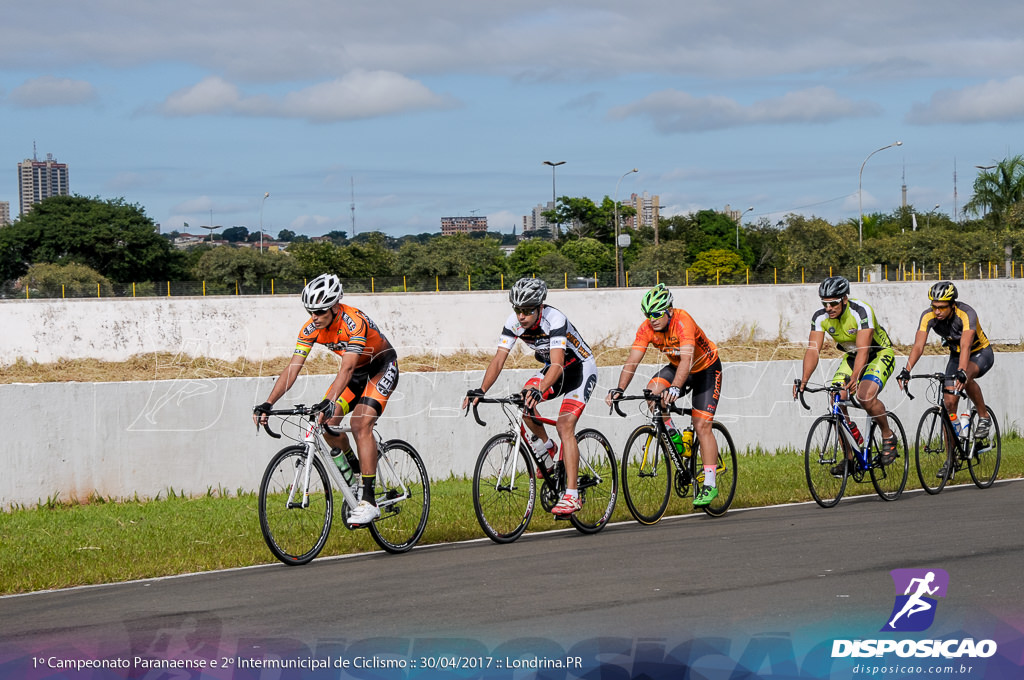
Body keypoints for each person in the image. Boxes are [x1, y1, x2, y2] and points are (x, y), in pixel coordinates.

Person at [252, 273, 399, 527]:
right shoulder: (311, 328)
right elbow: (293, 368)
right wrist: (268, 403)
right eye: (310, 312)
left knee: (359, 424)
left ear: (333, 307)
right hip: (355, 375)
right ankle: (356, 472)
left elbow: (347, 369)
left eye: (319, 312)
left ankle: (369, 500)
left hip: (380, 367)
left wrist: (329, 398)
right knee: (326, 421)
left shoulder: (353, 322)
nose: (314, 317)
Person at [462, 277, 598, 517]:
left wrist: (541, 388)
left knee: (565, 425)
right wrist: (481, 390)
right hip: (555, 369)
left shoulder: (554, 319)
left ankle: (572, 495)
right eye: (517, 310)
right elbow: (498, 359)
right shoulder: (513, 323)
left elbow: (557, 364)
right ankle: (548, 448)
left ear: (540, 307)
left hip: (579, 368)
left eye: (527, 311)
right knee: (524, 401)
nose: (521, 316)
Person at [604, 283, 724, 506]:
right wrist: (620, 389)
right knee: (652, 393)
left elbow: (687, 360)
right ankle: (674, 436)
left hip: (705, 369)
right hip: (677, 366)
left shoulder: (682, 321)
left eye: (657, 314)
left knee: (702, 425)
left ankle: (709, 483)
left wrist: (676, 388)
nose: (653, 319)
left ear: (669, 310)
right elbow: (632, 361)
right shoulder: (647, 328)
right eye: (649, 314)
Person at [793, 276, 899, 476]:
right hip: (852, 356)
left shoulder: (861, 311)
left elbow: (864, 350)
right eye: (824, 303)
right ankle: (850, 456)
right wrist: (804, 379)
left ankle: (888, 435)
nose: (829, 308)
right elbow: (813, 350)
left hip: (878, 353)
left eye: (833, 303)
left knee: (865, 396)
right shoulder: (820, 318)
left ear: (844, 299)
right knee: (835, 398)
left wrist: (856, 377)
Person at [896, 282, 993, 463]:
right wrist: (906, 370)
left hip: (980, 352)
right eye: (934, 307)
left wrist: (962, 372)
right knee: (949, 405)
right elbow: (918, 345)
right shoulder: (928, 317)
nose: (937, 311)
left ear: (952, 305)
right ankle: (952, 458)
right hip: (956, 355)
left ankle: (983, 416)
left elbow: (965, 346)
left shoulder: (966, 314)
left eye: (941, 307)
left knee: (966, 377)